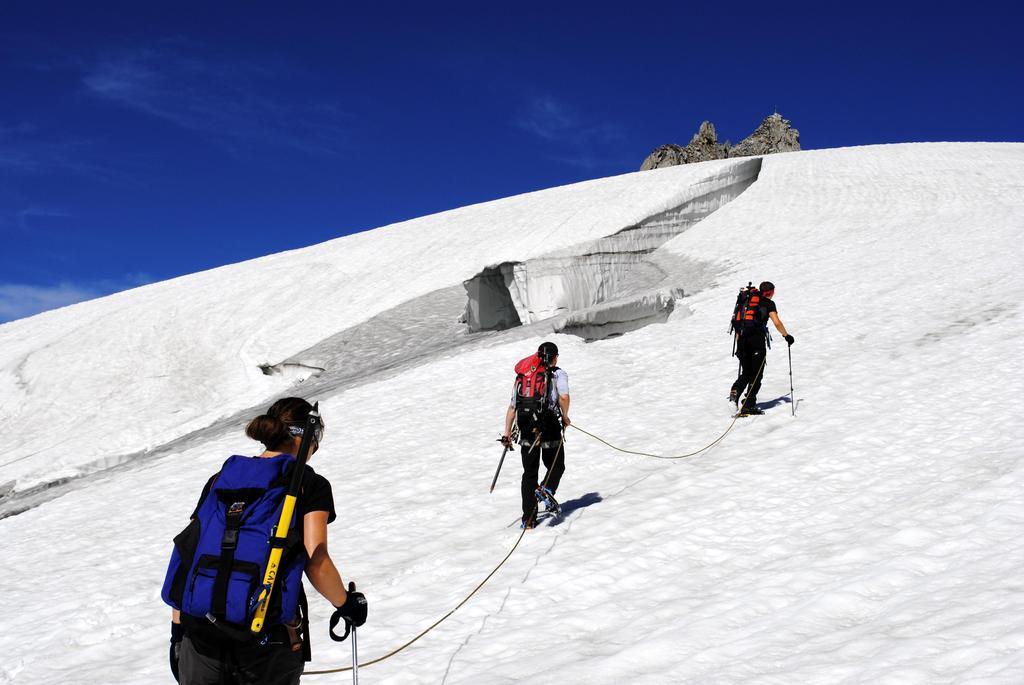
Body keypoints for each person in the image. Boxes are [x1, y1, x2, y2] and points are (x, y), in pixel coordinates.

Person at [165, 397, 367, 685]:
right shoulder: (309, 485)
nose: (317, 446)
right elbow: (316, 558)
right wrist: (346, 605)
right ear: (301, 435)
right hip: (265, 644)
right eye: (318, 435)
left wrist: (178, 634)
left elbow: (190, 553)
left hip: (200, 640)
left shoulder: (221, 479)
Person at [502, 341, 571, 528]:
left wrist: (507, 433)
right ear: (554, 357)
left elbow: (512, 406)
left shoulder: (523, 377)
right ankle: (547, 488)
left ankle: (529, 519)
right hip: (549, 425)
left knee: (529, 473)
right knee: (557, 464)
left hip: (525, 427)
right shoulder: (558, 373)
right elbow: (563, 397)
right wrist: (565, 417)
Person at [729, 281, 794, 415]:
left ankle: (735, 391)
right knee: (757, 374)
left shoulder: (746, 301)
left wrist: (739, 344)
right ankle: (749, 405)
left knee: (746, 372)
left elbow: (739, 324)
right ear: (770, 292)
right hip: (757, 342)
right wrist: (786, 336)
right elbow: (776, 322)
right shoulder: (768, 303)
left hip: (741, 341)